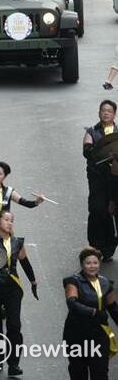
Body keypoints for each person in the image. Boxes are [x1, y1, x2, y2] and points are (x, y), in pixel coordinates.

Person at [0, 211, 38, 377]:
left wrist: (33, 281)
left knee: (14, 325)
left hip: (12, 289)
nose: (10, 223)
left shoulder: (17, 242)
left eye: (12, 221)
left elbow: (24, 262)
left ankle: (14, 364)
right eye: (6, 220)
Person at [63, 247, 118, 380]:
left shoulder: (105, 283)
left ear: (99, 264)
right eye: (88, 263)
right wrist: (93, 312)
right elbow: (72, 303)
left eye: (95, 263)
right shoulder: (72, 281)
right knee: (78, 371)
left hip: (99, 333)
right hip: (76, 333)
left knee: (100, 371)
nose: (92, 266)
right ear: (82, 265)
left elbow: (113, 309)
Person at [83, 100, 118, 261]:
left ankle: (110, 247)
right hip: (97, 177)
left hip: (115, 178)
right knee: (97, 210)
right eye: (103, 110)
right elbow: (87, 151)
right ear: (99, 113)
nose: (106, 113)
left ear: (114, 114)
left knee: (113, 210)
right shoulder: (91, 131)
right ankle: (96, 245)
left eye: (109, 111)